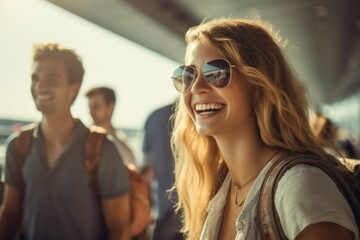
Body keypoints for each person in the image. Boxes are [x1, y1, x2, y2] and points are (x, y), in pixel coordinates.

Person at [170, 18, 359, 240]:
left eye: (216, 72)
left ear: (259, 82)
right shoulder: (222, 188)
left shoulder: (299, 186)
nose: (198, 88)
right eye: (188, 75)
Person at [0, 43, 131, 240]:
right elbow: (10, 214)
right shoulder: (18, 146)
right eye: (35, 78)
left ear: (73, 89)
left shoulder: (103, 150)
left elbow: (119, 229)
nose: (40, 86)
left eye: (51, 79)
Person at [142, 102, 184, 240]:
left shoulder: (154, 118)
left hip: (165, 213)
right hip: (198, 212)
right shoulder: (202, 114)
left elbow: (147, 174)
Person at [85, 86, 137, 167]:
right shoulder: (81, 140)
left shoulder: (123, 149)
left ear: (110, 107)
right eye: (89, 107)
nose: (91, 112)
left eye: (96, 107)